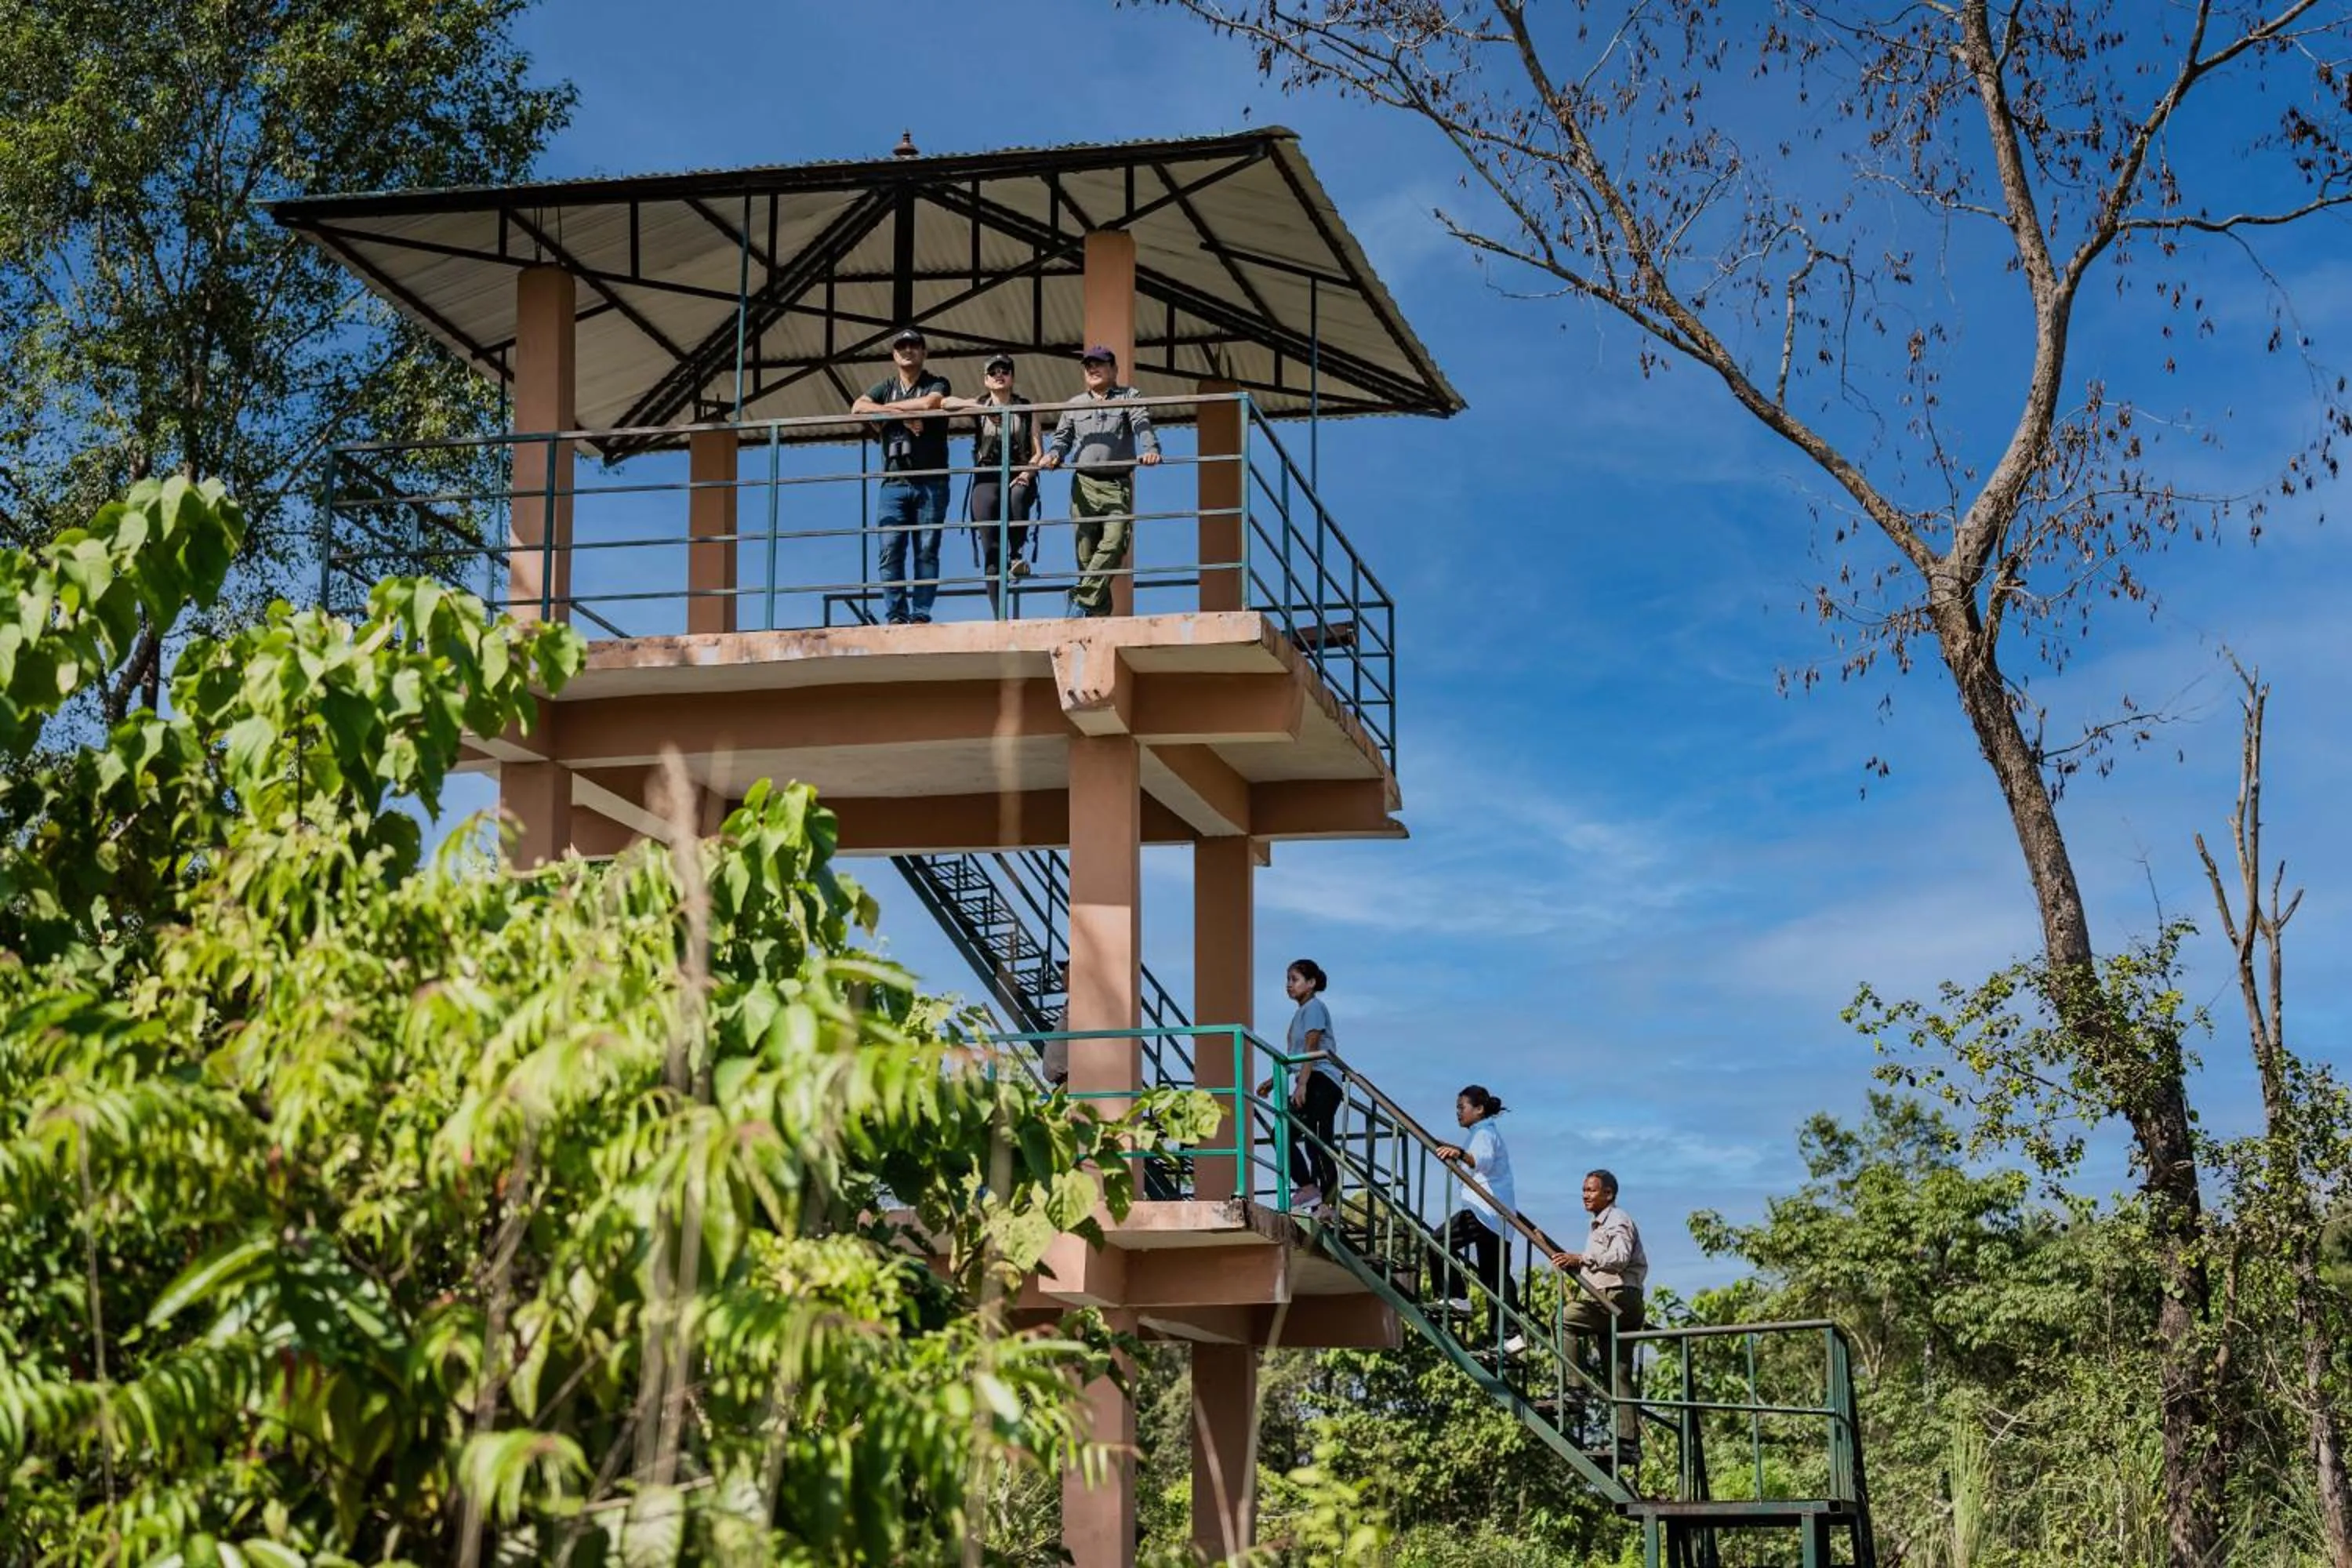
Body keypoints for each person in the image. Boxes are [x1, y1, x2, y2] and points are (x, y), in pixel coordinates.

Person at [1036, 345, 1159, 617]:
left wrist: (1151, 449)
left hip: (1117, 485)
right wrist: (1054, 455)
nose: (1093, 369)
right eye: (1088, 365)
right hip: (1083, 485)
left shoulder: (1129, 396)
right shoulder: (1075, 404)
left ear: (1114, 370)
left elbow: (1141, 423)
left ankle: (1079, 600)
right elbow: (1062, 439)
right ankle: (1097, 615)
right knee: (1086, 555)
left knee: (1114, 543)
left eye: (1100, 364)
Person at [850, 327, 952, 624]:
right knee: (890, 550)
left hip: (932, 481)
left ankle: (920, 614)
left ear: (924, 352)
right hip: (893, 484)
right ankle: (896, 615)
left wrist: (886, 411)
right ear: (894, 354)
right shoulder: (886, 385)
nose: (908, 350)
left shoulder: (936, 382)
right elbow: (857, 408)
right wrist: (901, 415)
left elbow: (929, 403)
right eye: (902, 346)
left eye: (914, 345)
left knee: (927, 550)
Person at [1549, 1168, 1649, 1470]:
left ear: (1609, 1194)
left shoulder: (1617, 1220)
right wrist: (1573, 1264)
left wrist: (1581, 1258)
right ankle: (1628, 1443)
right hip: (1616, 1302)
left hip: (1618, 1299)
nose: (1585, 1195)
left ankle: (1575, 1389)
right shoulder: (1598, 1225)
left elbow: (1618, 1257)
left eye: (1591, 1190)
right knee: (1617, 1374)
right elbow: (1600, 1267)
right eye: (1583, 1190)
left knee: (1563, 1321)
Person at [1433, 1085, 1523, 1357]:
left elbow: (1480, 1162)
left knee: (1438, 1242)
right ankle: (1510, 1336)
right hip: (1499, 1217)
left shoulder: (1483, 1132)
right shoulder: (1485, 1132)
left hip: (1484, 1212)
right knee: (1495, 1277)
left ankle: (1456, 1297)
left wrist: (1459, 1153)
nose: (1458, 1113)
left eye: (1462, 1108)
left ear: (1479, 1109)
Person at [954, 354, 1043, 615]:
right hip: (987, 475)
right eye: (993, 373)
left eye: (1005, 371)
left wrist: (1028, 473)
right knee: (991, 551)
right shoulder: (980, 405)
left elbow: (1038, 451)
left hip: (1020, 471)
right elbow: (945, 402)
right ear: (986, 380)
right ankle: (999, 616)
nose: (999, 375)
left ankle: (1016, 554)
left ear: (1012, 377)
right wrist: (979, 407)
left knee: (1018, 495)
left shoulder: (1027, 409)